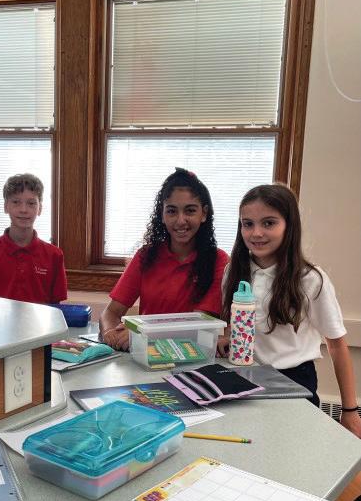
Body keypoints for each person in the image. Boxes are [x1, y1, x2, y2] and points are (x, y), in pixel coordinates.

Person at [219, 184, 361, 437]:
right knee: (251, 442)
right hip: (245, 375)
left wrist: (350, 410)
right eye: (248, 224)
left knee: (295, 445)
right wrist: (228, 336)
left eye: (269, 223)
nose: (256, 233)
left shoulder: (310, 279)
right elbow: (238, 323)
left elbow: (337, 345)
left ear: (289, 225)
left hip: (294, 379)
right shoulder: (234, 271)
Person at [99, 168, 230, 351]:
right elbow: (111, 312)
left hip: (193, 356)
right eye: (172, 211)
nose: (180, 220)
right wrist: (110, 333)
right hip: (145, 356)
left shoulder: (219, 260)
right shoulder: (145, 255)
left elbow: (198, 325)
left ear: (204, 214)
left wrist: (140, 334)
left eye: (190, 211)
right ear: (162, 214)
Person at [0, 173, 67, 304]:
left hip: (39, 318)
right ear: (6, 206)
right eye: (16, 202)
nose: (23, 210)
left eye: (31, 203)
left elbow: (56, 307)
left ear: (40, 208)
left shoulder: (54, 255)